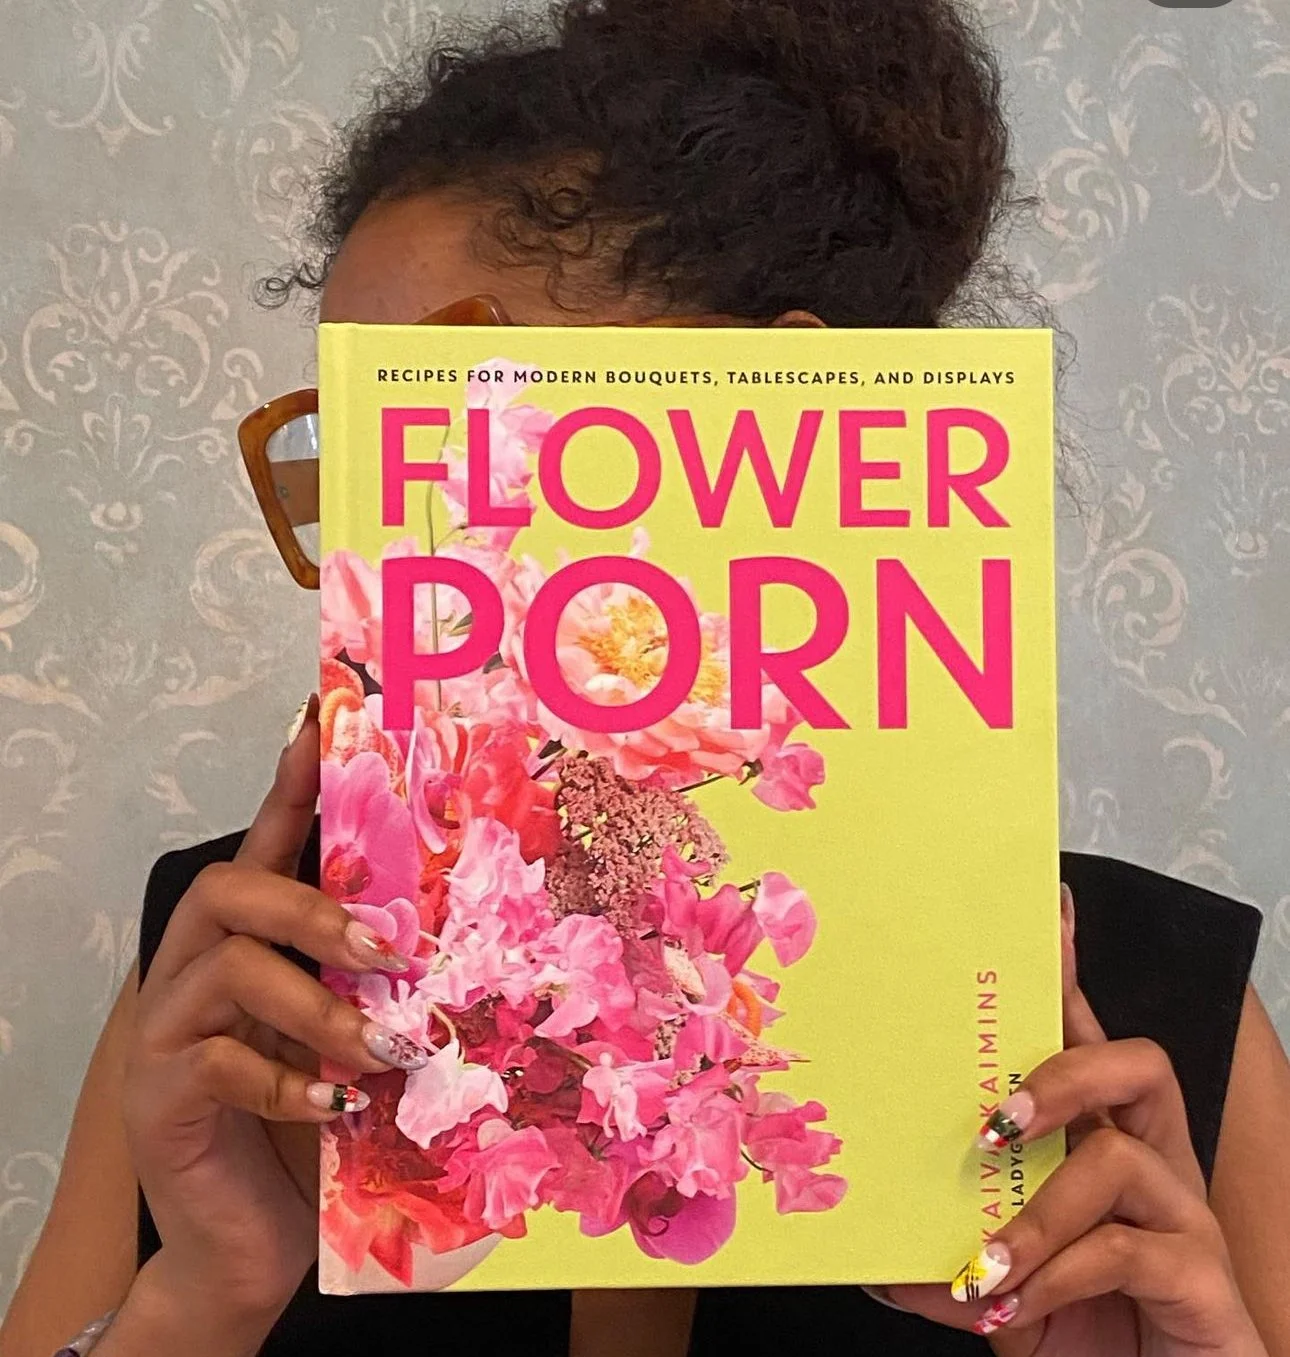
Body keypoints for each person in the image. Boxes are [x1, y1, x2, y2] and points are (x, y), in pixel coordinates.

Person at [3, 1, 1289, 1354]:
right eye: (362, 439)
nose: (399, 531)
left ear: (789, 414)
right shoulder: (235, 993)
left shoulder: (1155, 1019)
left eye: (450, 411)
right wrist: (199, 1298)